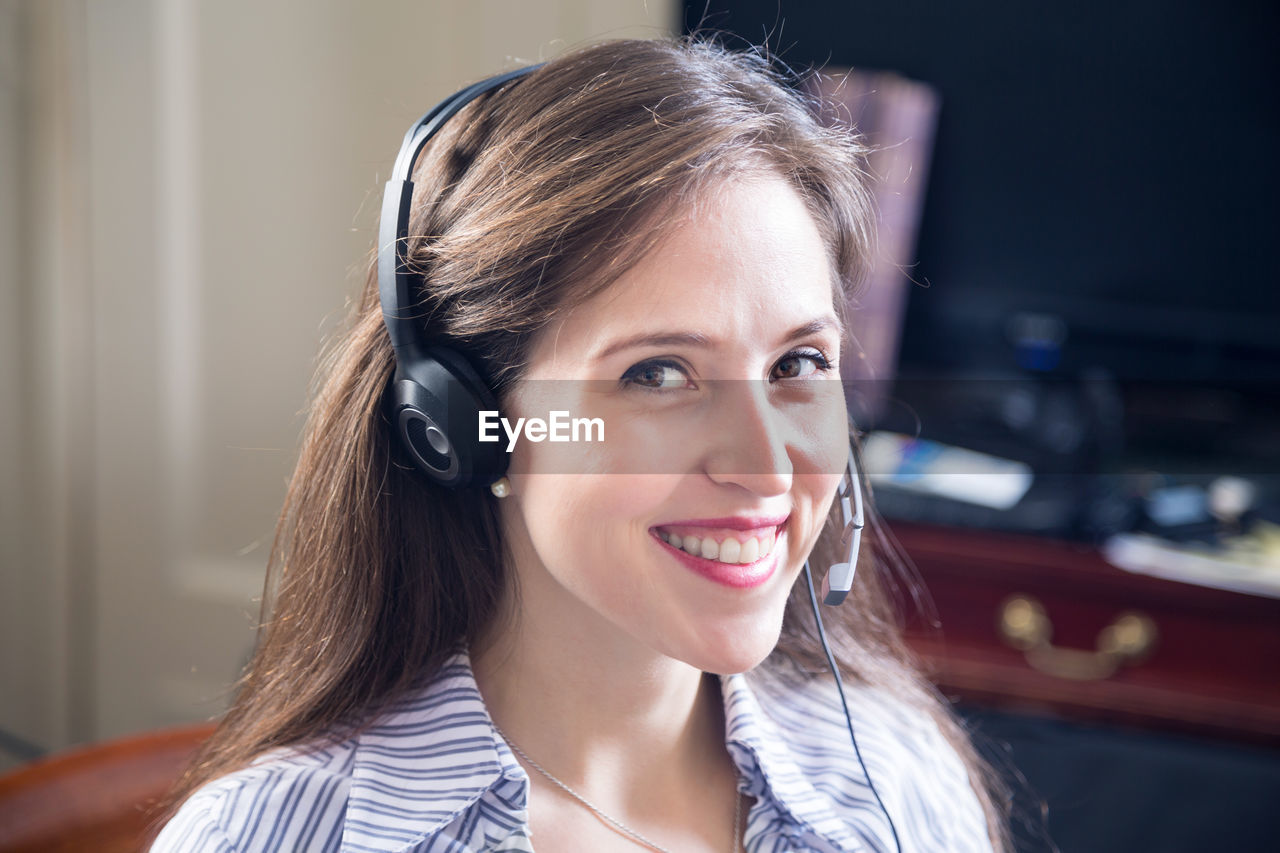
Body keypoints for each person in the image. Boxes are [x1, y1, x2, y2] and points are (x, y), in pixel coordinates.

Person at [152, 37, 1010, 853]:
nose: (765, 464)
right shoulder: (274, 834)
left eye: (798, 361)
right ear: (466, 422)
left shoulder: (894, 775)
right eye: (658, 374)